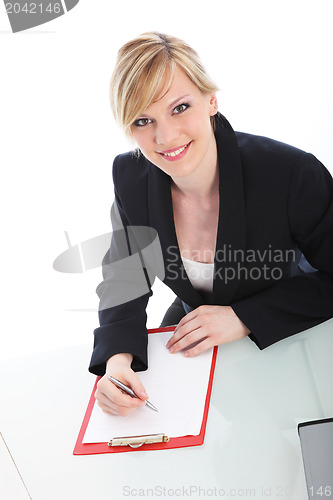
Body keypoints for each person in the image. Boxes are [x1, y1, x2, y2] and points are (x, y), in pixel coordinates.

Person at [90, 32, 333, 416]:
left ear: (211, 100)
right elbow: (125, 278)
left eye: (180, 107)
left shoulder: (289, 173)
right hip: (197, 331)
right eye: (143, 120)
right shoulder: (131, 177)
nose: (164, 137)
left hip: (288, 325)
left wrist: (243, 318)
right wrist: (117, 362)